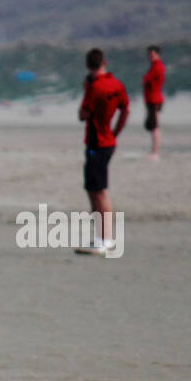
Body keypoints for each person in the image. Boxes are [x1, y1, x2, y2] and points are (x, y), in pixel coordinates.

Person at [76, 48, 129, 256]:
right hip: (108, 141)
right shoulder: (117, 84)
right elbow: (125, 109)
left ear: (88, 66)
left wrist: (85, 89)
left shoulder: (94, 88)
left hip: (96, 143)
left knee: (98, 192)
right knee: (96, 190)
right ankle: (103, 237)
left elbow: (83, 114)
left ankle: (104, 239)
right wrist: (116, 131)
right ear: (104, 62)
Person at [142, 45, 165, 160]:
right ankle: (154, 151)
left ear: (157, 54)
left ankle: (155, 152)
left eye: (152, 54)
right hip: (152, 99)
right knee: (152, 126)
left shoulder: (157, 67)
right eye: (149, 55)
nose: (150, 57)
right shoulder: (154, 66)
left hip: (154, 99)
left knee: (155, 126)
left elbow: (147, 80)